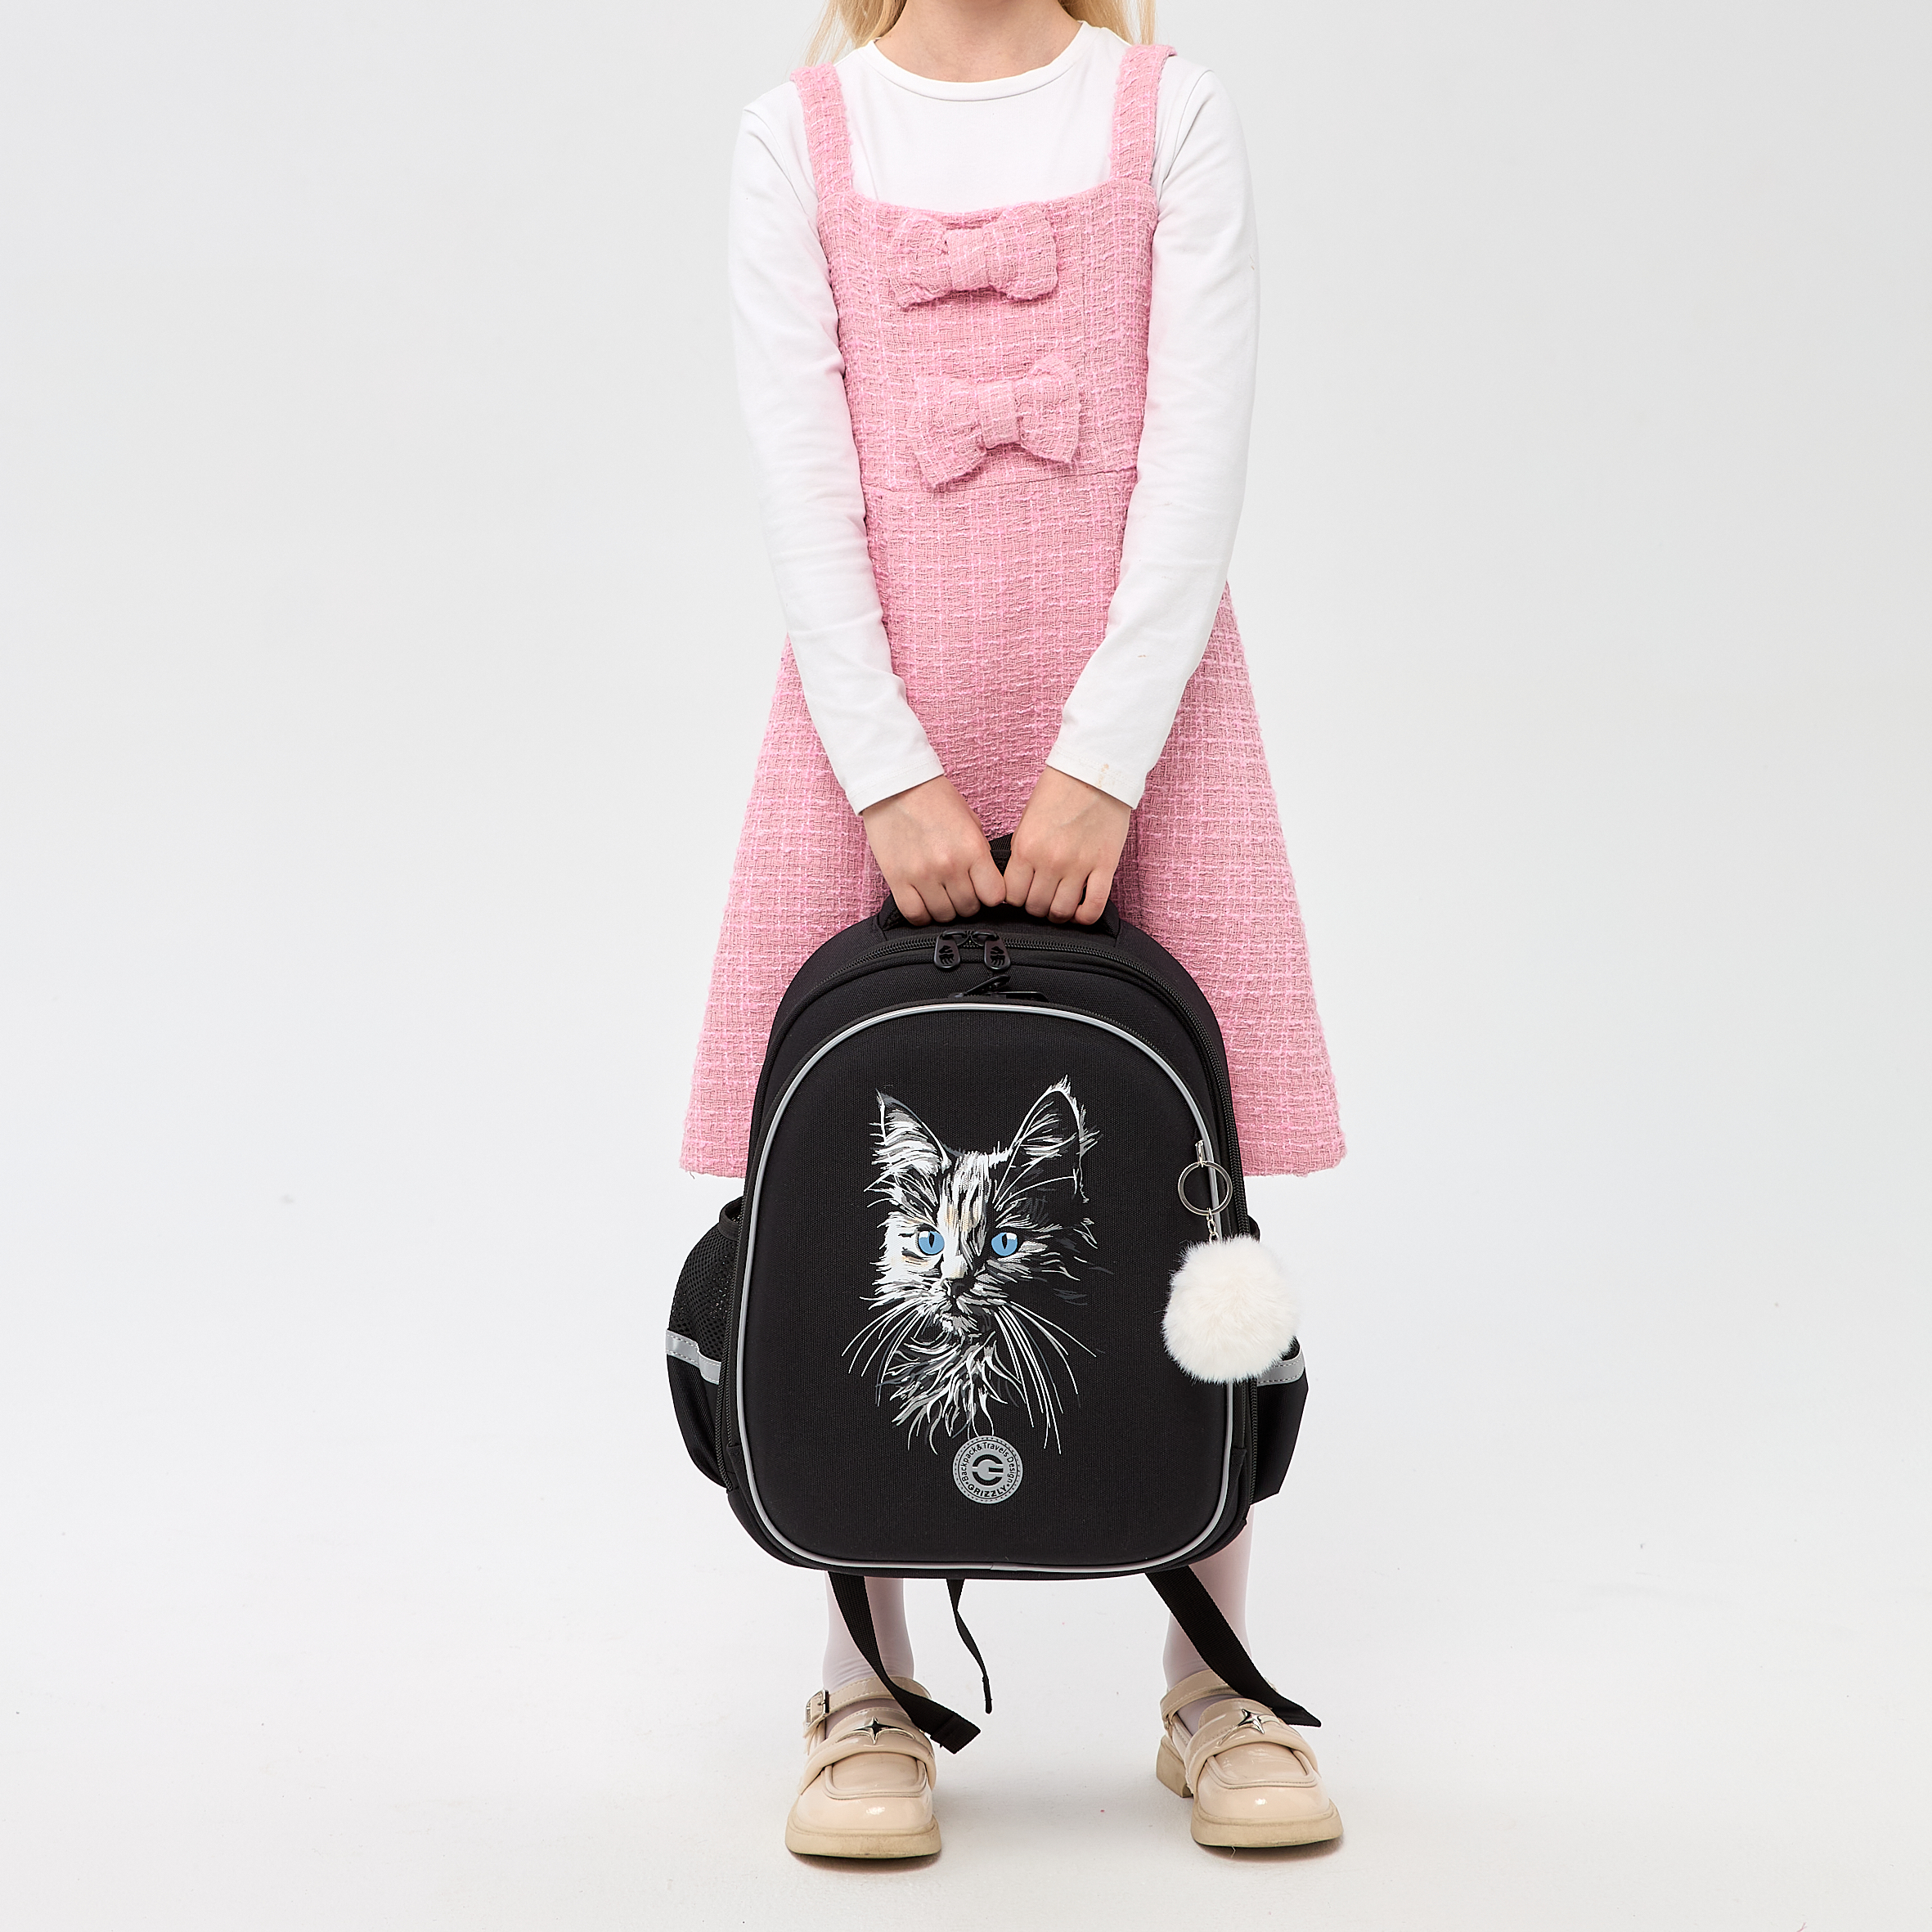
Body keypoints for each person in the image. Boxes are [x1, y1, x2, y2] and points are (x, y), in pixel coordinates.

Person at [683, 0, 1346, 1856]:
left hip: (1141, 718)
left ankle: (1212, 1678)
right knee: (846, 1191)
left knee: (1183, 1177)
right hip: (871, 723)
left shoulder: (1169, 112)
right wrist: (887, 770)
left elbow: (1195, 463)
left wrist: (1102, 764)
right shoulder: (796, 133)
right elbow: (802, 481)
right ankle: (862, 1679)